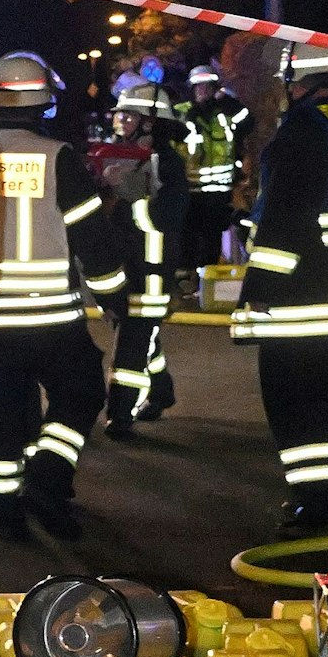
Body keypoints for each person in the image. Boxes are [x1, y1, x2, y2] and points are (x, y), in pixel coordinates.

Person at [0, 52, 119, 541]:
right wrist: (115, 297)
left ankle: (4, 514)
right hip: (49, 319)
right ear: (44, 105)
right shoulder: (57, 156)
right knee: (81, 393)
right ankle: (49, 476)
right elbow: (92, 235)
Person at [231, 43, 328, 535]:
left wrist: (257, 289)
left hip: (309, 300)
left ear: (294, 79)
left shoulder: (301, 132)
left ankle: (319, 501)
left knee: (297, 404)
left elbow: (285, 220)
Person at [93, 80, 189, 438]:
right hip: (119, 266)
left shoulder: (167, 163)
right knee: (137, 334)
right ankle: (161, 391)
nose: (119, 122)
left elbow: (169, 217)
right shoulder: (113, 155)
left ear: (150, 122)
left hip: (151, 270)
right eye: (117, 115)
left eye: (128, 116)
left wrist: (135, 201)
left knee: (132, 342)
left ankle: (120, 413)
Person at [179, 64, 253, 269]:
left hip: (220, 191)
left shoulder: (226, 114)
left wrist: (228, 100)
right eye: (198, 87)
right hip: (190, 189)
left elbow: (248, 120)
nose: (203, 91)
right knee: (189, 235)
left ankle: (207, 275)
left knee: (212, 236)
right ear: (191, 90)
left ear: (214, 88)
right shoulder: (182, 113)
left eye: (207, 87)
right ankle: (187, 276)